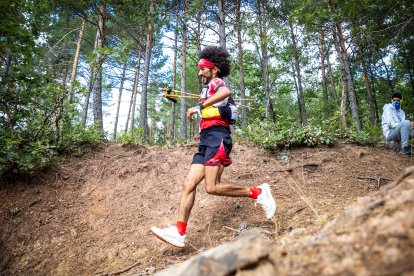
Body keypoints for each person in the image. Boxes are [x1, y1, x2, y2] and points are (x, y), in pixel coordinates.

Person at [150, 46, 276, 248]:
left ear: (214, 69)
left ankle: (258, 192)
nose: (200, 72)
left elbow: (226, 91)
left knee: (212, 187)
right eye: (199, 69)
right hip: (206, 141)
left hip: (218, 138)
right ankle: (179, 232)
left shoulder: (217, 82)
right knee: (188, 185)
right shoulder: (206, 90)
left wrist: (200, 106)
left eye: (203, 69)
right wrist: (203, 107)